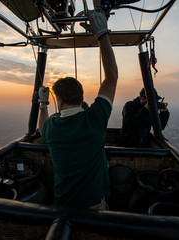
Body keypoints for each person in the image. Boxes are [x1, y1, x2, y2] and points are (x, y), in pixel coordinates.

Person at [37, 10, 118, 209]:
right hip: (94, 203)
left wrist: (43, 104)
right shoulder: (95, 118)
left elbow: (41, 128)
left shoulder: (52, 128)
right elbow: (111, 77)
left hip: (63, 205)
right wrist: (101, 35)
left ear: (60, 102)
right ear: (82, 98)